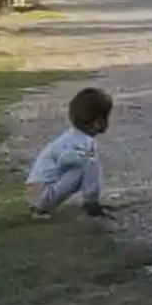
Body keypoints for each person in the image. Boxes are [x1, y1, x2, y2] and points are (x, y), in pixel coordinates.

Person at [25, 87, 114, 218]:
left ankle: (90, 202)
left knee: (88, 163)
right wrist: (83, 160)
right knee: (89, 163)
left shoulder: (75, 136)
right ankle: (91, 204)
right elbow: (62, 159)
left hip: (36, 193)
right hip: (41, 193)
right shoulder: (77, 140)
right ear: (98, 122)